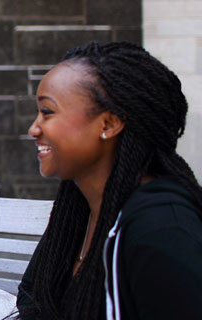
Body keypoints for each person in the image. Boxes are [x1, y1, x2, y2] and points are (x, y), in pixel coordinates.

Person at [16, 42, 202, 319]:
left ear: (108, 124)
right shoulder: (78, 211)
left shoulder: (162, 229)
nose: (34, 128)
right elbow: (34, 302)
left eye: (48, 112)